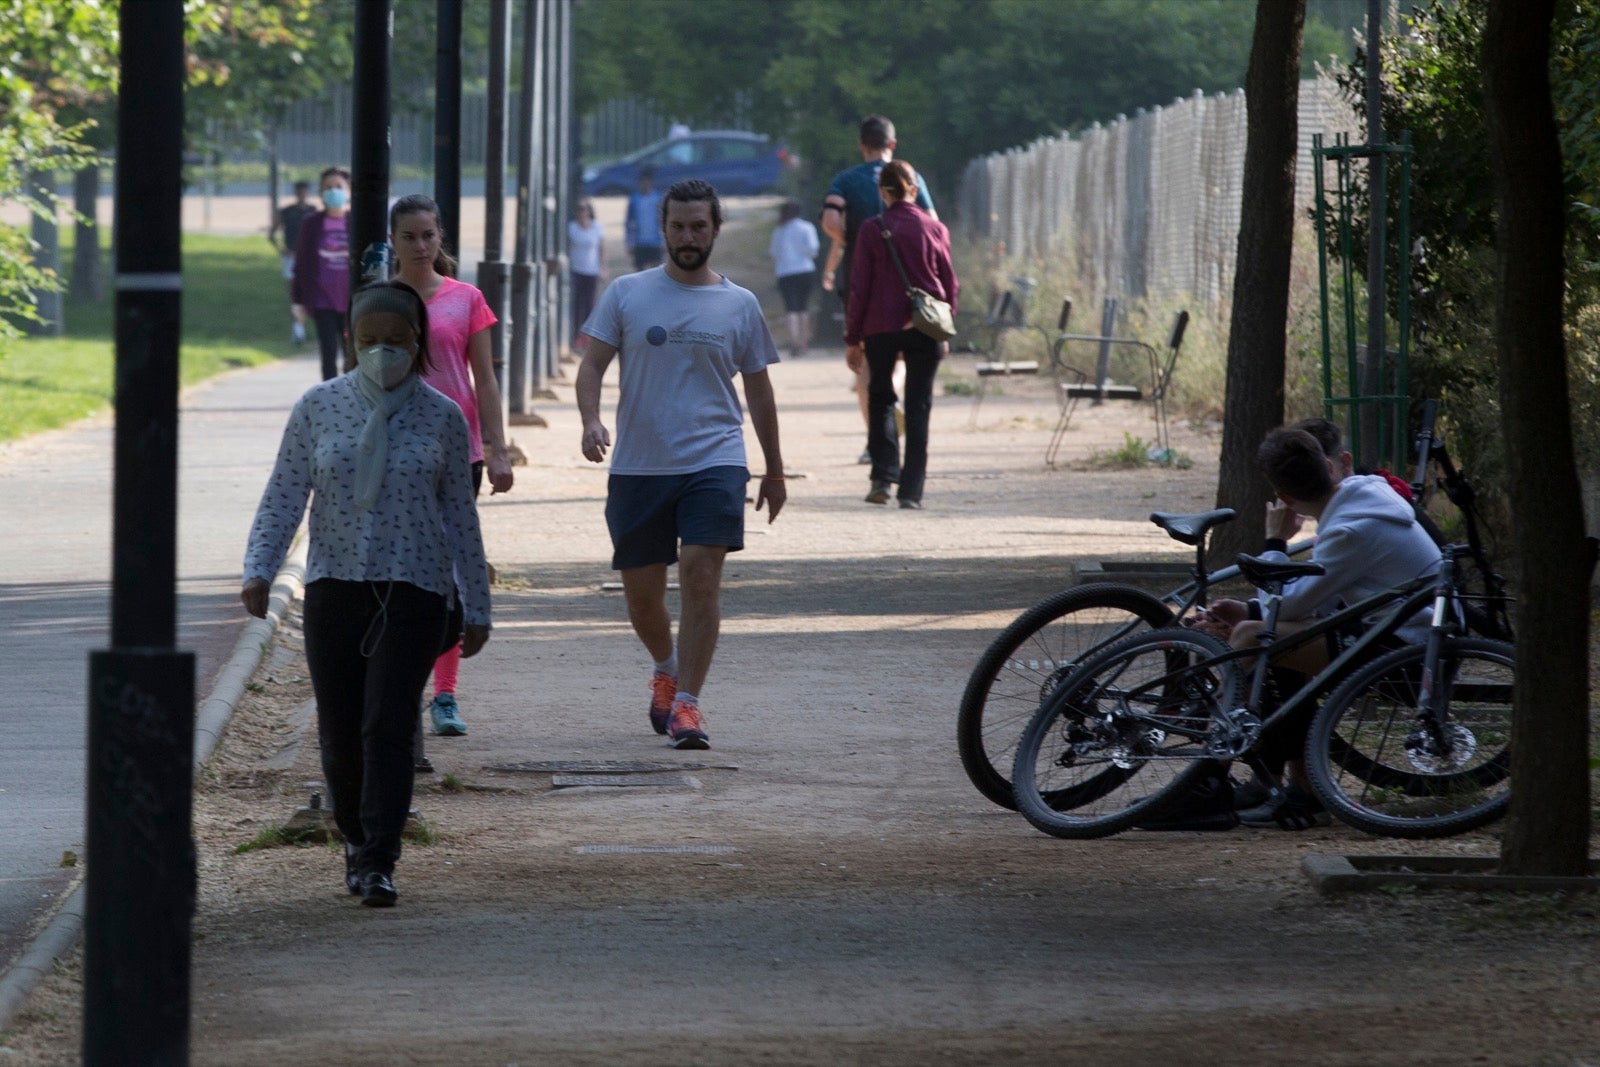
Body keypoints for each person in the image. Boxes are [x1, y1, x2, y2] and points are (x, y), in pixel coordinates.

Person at [241, 280, 491, 907]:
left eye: (396, 340)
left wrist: (477, 603)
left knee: (388, 724)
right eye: (369, 340)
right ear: (352, 342)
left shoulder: (442, 415)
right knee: (341, 728)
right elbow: (284, 494)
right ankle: (353, 837)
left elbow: (461, 516)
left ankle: (381, 856)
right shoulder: (318, 407)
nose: (383, 351)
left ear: (419, 343)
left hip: (414, 590)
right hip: (335, 588)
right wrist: (259, 569)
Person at [575, 178, 786, 750]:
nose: (688, 236)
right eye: (677, 226)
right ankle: (665, 666)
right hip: (640, 464)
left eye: (699, 226)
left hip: (714, 460)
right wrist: (591, 420)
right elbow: (592, 366)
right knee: (642, 596)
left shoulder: (740, 305)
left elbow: (761, 393)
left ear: (716, 230)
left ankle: (688, 705)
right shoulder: (626, 293)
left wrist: (773, 468)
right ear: (662, 229)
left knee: (700, 574)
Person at [1198, 426, 1441, 829]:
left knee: (1250, 638)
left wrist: (1275, 540)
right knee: (1272, 636)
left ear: (1286, 497)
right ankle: (1299, 787)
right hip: (1405, 634)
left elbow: (1291, 602)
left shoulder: (1350, 528)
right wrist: (1250, 607)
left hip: (1408, 654)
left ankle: (1207, 777)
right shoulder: (1365, 495)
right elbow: (1315, 599)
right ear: (1330, 466)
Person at [388, 194, 514, 742]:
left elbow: (484, 380)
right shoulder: (379, 300)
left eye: (429, 236)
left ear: (441, 240)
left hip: (457, 455)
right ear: (393, 240)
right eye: (410, 236)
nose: (420, 245)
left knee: (447, 572)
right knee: (401, 573)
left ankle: (444, 693)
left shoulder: (466, 299)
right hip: (393, 456)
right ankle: (401, 689)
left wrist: (499, 447)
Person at [821, 115, 936, 464]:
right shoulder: (910, 178)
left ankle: (876, 441)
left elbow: (830, 220)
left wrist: (849, 240)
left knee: (867, 363)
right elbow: (932, 223)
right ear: (892, 145)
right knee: (903, 354)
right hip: (909, 282)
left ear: (861, 144)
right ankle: (894, 397)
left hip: (862, 281)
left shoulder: (845, 180)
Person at [844, 160, 957, 511]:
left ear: (882, 192)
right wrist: (946, 323)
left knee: (881, 399)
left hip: (881, 328)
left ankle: (882, 478)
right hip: (925, 328)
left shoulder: (872, 229)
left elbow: (859, 287)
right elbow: (949, 283)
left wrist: (853, 337)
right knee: (919, 406)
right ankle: (911, 491)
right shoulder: (935, 228)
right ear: (913, 189)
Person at [291, 166, 353, 380]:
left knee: (351, 355)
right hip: (322, 300)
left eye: (339, 186)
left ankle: (354, 401)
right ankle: (331, 400)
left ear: (349, 190)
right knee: (328, 354)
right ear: (321, 192)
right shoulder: (312, 224)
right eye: (328, 187)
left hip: (352, 301)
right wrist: (297, 300)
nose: (333, 191)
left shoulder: (357, 221)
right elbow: (301, 264)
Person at [768, 199, 820, 358]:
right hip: (805, 269)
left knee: (791, 309)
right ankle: (804, 343)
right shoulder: (807, 227)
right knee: (803, 308)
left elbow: (774, 253)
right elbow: (813, 249)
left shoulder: (779, 230)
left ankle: (794, 342)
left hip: (785, 272)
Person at [269, 180, 316, 346]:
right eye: (299, 192)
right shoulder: (287, 211)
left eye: (304, 192)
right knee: (294, 294)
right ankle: (298, 330)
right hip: (291, 257)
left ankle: (313, 325)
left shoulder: (313, 212)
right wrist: (282, 250)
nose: (302, 195)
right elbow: (272, 234)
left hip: (309, 258)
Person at [567, 197, 605, 349]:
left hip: (592, 271)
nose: (581, 212)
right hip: (577, 271)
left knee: (590, 305)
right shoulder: (572, 228)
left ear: (589, 211)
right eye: (579, 209)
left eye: (584, 209)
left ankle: (587, 337)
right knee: (577, 305)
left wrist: (603, 267)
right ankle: (577, 336)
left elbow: (601, 248)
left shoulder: (597, 227)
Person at [624, 168, 664, 271]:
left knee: (656, 273)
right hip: (639, 243)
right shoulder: (634, 200)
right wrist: (629, 242)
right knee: (640, 274)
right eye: (643, 181)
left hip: (655, 242)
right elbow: (629, 223)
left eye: (647, 181)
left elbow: (662, 221)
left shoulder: (657, 199)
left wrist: (664, 242)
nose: (645, 184)